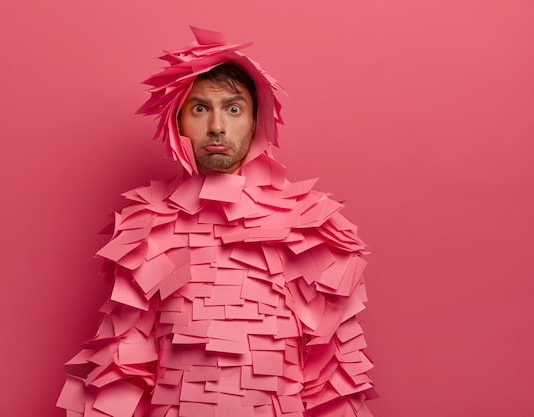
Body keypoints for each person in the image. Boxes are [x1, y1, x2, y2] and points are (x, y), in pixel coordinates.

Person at [57, 26, 375, 417]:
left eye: (234, 108)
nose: (217, 127)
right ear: (178, 122)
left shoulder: (314, 226)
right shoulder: (143, 225)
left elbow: (335, 377)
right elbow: (124, 365)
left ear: (256, 120)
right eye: (200, 108)